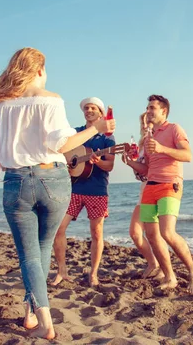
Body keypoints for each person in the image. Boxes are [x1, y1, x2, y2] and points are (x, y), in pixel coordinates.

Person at [0, 48, 115, 340]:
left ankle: (39, 318)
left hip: (16, 181)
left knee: (30, 256)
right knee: (41, 249)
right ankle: (38, 318)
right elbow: (63, 144)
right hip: (53, 179)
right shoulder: (51, 100)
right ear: (39, 70)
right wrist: (96, 129)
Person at [126, 94, 193, 293]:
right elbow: (146, 169)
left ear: (163, 111)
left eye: (152, 108)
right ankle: (170, 276)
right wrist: (130, 162)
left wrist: (162, 148)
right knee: (151, 235)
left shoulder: (174, 129)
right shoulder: (150, 137)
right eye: (148, 107)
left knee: (167, 232)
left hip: (170, 184)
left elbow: (188, 155)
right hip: (150, 186)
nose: (148, 111)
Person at [52, 97, 115, 287]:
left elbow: (109, 165)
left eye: (93, 108)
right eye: (86, 108)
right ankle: (61, 270)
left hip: (97, 190)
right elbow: (63, 154)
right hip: (73, 189)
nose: (89, 110)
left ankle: (93, 274)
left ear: (100, 112)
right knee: (58, 228)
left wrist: (98, 162)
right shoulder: (76, 132)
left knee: (96, 232)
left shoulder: (107, 138)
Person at [123, 112, 164, 279]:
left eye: (148, 122)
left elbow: (149, 169)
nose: (145, 125)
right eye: (142, 123)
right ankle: (153, 263)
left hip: (159, 187)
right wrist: (130, 162)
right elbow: (142, 172)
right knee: (135, 232)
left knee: (156, 233)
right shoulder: (141, 145)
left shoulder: (157, 140)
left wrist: (133, 163)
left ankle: (163, 267)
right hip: (144, 188)